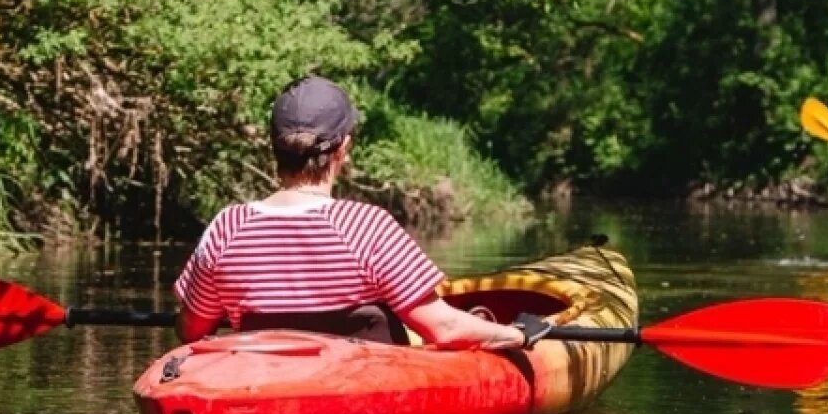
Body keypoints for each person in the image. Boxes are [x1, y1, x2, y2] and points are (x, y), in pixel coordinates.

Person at [173, 75, 548, 350]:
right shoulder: (365, 226)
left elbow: (191, 329)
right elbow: (445, 329)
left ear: (274, 145)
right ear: (343, 149)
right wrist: (518, 333)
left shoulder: (228, 227)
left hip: (260, 383)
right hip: (362, 386)